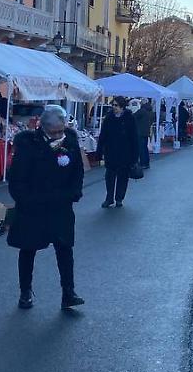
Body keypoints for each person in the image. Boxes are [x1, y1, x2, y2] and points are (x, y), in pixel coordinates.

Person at [7, 104, 85, 310]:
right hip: (33, 207)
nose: (59, 135)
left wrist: (73, 193)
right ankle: (25, 291)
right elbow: (17, 178)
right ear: (42, 128)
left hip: (61, 206)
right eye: (54, 132)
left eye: (61, 130)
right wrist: (26, 199)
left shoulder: (70, 141)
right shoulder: (28, 145)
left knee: (65, 250)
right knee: (28, 250)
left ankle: (68, 292)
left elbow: (78, 170)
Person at [96, 96, 139, 209]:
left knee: (122, 177)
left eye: (116, 105)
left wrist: (135, 156)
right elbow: (103, 135)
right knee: (109, 176)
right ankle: (109, 198)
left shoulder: (129, 118)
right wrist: (99, 151)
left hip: (125, 154)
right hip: (111, 152)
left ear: (122, 106)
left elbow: (134, 138)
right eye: (113, 105)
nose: (114, 107)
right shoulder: (109, 118)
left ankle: (119, 198)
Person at [133, 99, 153, 169]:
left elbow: (133, 116)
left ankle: (143, 163)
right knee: (145, 148)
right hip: (146, 132)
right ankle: (146, 163)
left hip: (140, 132)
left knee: (141, 148)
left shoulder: (142, 111)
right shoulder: (150, 111)